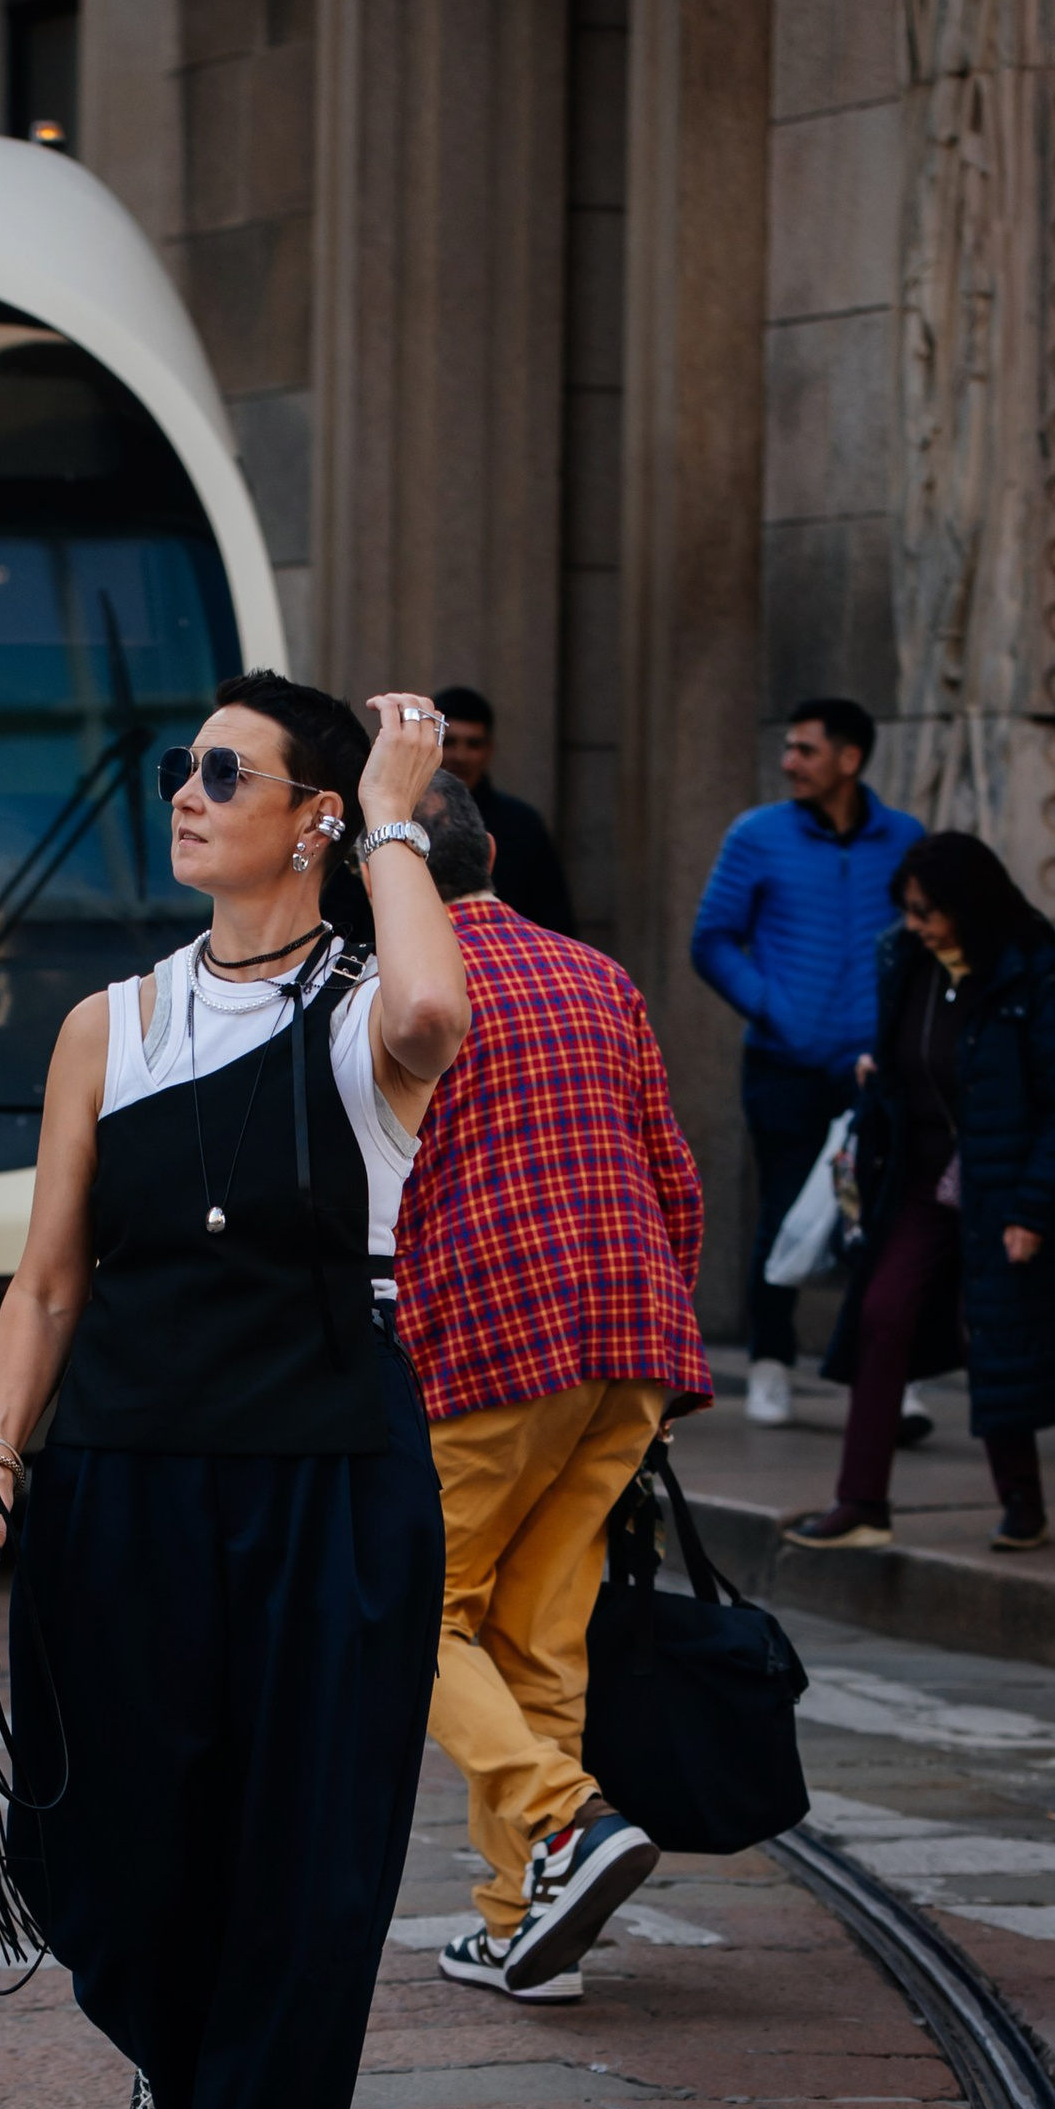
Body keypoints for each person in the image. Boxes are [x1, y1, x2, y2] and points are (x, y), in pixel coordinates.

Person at [0, 678, 468, 2109]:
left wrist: (395, 798)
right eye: (180, 765)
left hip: (327, 1480)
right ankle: (170, 2059)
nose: (185, 790)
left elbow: (442, 997)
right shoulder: (114, 1021)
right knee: (114, 1846)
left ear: (310, 816)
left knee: (303, 1868)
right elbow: (51, 1277)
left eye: (225, 771)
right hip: (129, 1480)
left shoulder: (374, 1012)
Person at [390, 769, 708, 2003]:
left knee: (410, 1608)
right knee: (538, 1627)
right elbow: (671, 1170)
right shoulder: (597, 974)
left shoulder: (397, 993)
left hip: (486, 1336)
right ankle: (523, 1919)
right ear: (491, 859)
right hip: (628, 1334)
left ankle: (561, 1821)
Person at [791, 830, 1055, 1555]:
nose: (915, 925)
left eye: (927, 911)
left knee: (993, 1333)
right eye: (909, 910)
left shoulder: (1027, 969)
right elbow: (920, 1056)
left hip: (1001, 1184)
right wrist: (885, 1077)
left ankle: (1022, 1503)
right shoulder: (906, 962)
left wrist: (1032, 1207)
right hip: (918, 1177)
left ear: (967, 907)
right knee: (883, 1313)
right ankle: (861, 1500)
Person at [689, 695, 925, 1428]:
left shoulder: (905, 839)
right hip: (785, 1064)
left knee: (880, 1220)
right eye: (787, 747)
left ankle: (893, 1375)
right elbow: (714, 939)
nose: (789, 762)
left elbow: (919, 940)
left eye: (806, 750)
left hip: (875, 1069)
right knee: (785, 1211)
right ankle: (770, 1361)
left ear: (849, 759)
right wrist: (777, 1009)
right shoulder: (757, 835)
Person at [434, 686, 574, 934]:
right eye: (449, 742)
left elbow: (553, 918)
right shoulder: (401, 813)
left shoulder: (522, 825)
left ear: (489, 749)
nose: (461, 755)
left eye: (473, 744)